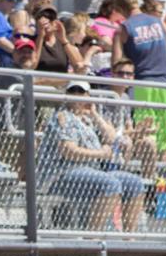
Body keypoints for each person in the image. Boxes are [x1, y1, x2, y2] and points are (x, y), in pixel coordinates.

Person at [40, 80, 145, 231]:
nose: (77, 96)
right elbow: (69, 151)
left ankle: (129, 237)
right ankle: (94, 236)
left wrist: (95, 114)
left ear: (88, 96)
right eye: (72, 92)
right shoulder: (62, 117)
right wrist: (100, 153)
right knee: (110, 183)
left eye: (81, 92)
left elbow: (113, 139)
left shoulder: (89, 120)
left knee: (135, 183)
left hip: (91, 172)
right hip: (61, 175)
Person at [111, 0, 166, 154]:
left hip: (141, 84)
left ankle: (148, 176)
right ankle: (164, 178)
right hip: (165, 83)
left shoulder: (124, 28)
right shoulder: (158, 21)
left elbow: (116, 64)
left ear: (120, 9)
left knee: (146, 132)